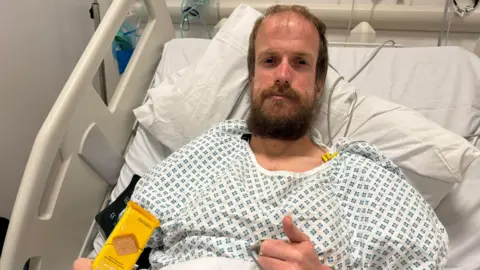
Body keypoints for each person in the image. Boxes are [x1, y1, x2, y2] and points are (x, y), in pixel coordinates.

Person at [74, 4, 448, 270]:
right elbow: (134, 229)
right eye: (269, 61)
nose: (283, 74)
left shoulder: (363, 179)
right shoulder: (208, 152)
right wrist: (109, 267)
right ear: (252, 78)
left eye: (300, 62)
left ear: (318, 85)